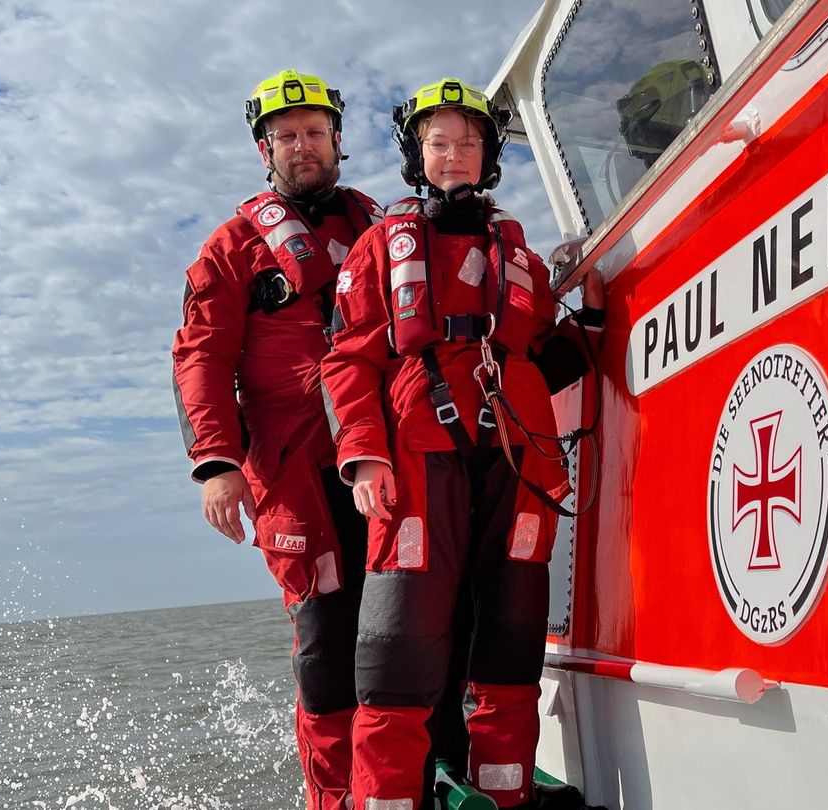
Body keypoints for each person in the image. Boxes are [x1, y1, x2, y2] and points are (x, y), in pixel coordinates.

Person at [320, 77, 604, 810]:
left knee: (510, 635)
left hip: (516, 457)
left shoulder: (520, 256)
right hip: (417, 456)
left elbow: (546, 353)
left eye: (469, 143)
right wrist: (364, 454)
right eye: (440, 143)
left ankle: (502, 795)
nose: (455, 155)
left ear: (488, 157)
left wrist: (595, 319)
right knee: (401, 645)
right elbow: (347, 358)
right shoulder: (381, 248)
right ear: (419, 155)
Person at [172, 69, 383, 810]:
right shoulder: (232, 247)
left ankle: (404, 786)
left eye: (316, 133)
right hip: (293, 469)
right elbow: (200, 355)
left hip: (386, 457)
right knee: (327, 642)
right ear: (266, 150)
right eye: (287, 136)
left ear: (337, 142)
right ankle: (333, 800)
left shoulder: (383, 228)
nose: (304, 147)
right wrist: (216, 464)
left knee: (409, 629)